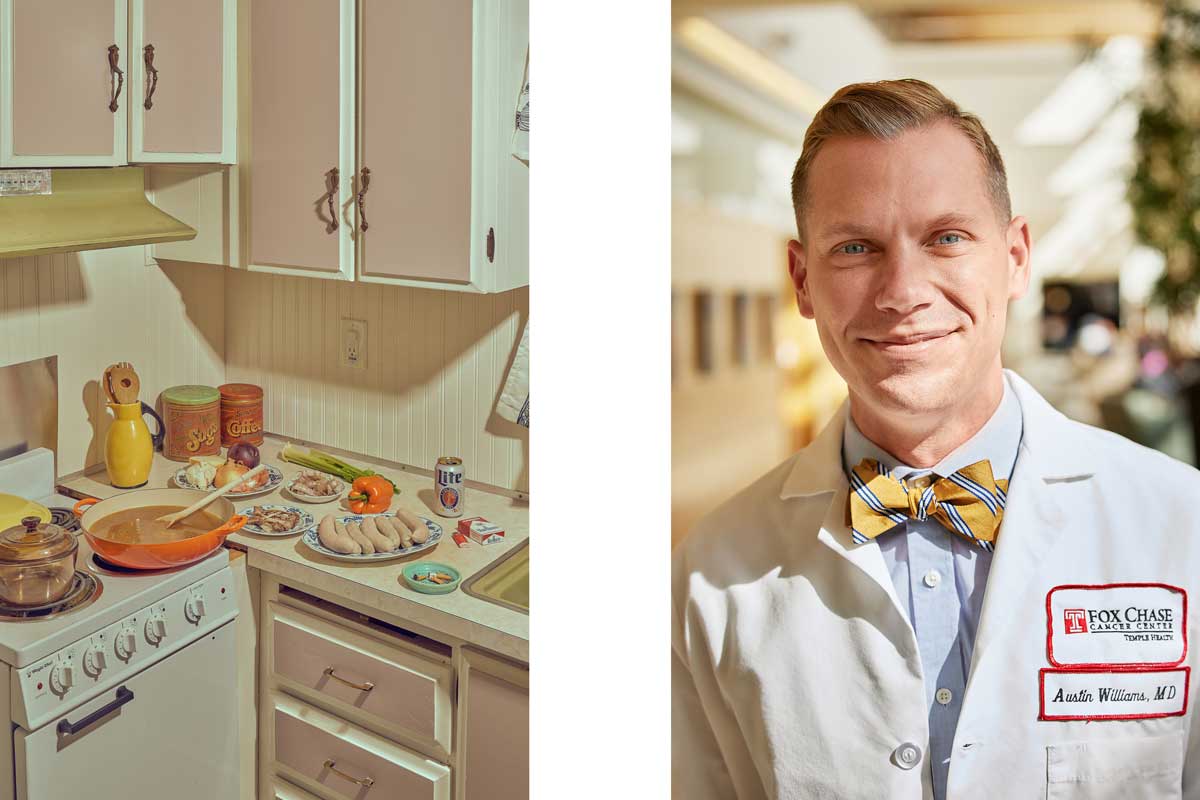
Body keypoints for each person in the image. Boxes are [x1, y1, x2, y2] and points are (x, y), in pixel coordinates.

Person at [672, 78, 1200, 799]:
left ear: (1015, 258)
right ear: (801, 279)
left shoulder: (1179, 524)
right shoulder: (713, 573)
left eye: (946, 238)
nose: (902, 291)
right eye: (856, 247)